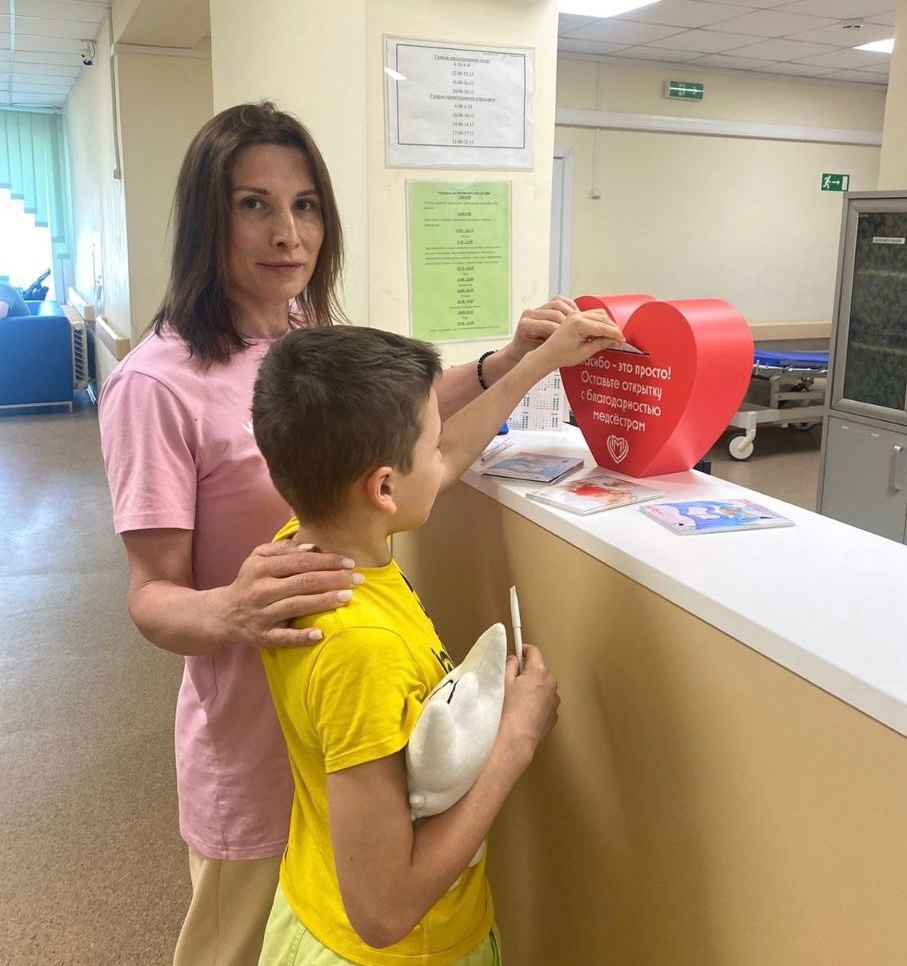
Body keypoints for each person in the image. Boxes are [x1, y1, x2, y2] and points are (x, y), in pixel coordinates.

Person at [97, 99, 605, 966]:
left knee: (317, 933)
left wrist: (505, 363)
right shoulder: (157, 384)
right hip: (257, 740)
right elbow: (150, 596)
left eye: (305, 205)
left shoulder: (304, 339)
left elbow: (403, 422)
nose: (288, 233)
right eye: (253, 204)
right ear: (207, 220)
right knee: (239, 945)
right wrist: (230, 610)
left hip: (352, 744)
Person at [251, 319, 623, 966]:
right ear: (383, 488)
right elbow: (383, 910)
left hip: (315, 907)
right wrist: (515, 738)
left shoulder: (307, 546)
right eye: (429, 443)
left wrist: (536, 364)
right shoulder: (360, 649)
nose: (443, 454)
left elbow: (448, 456)